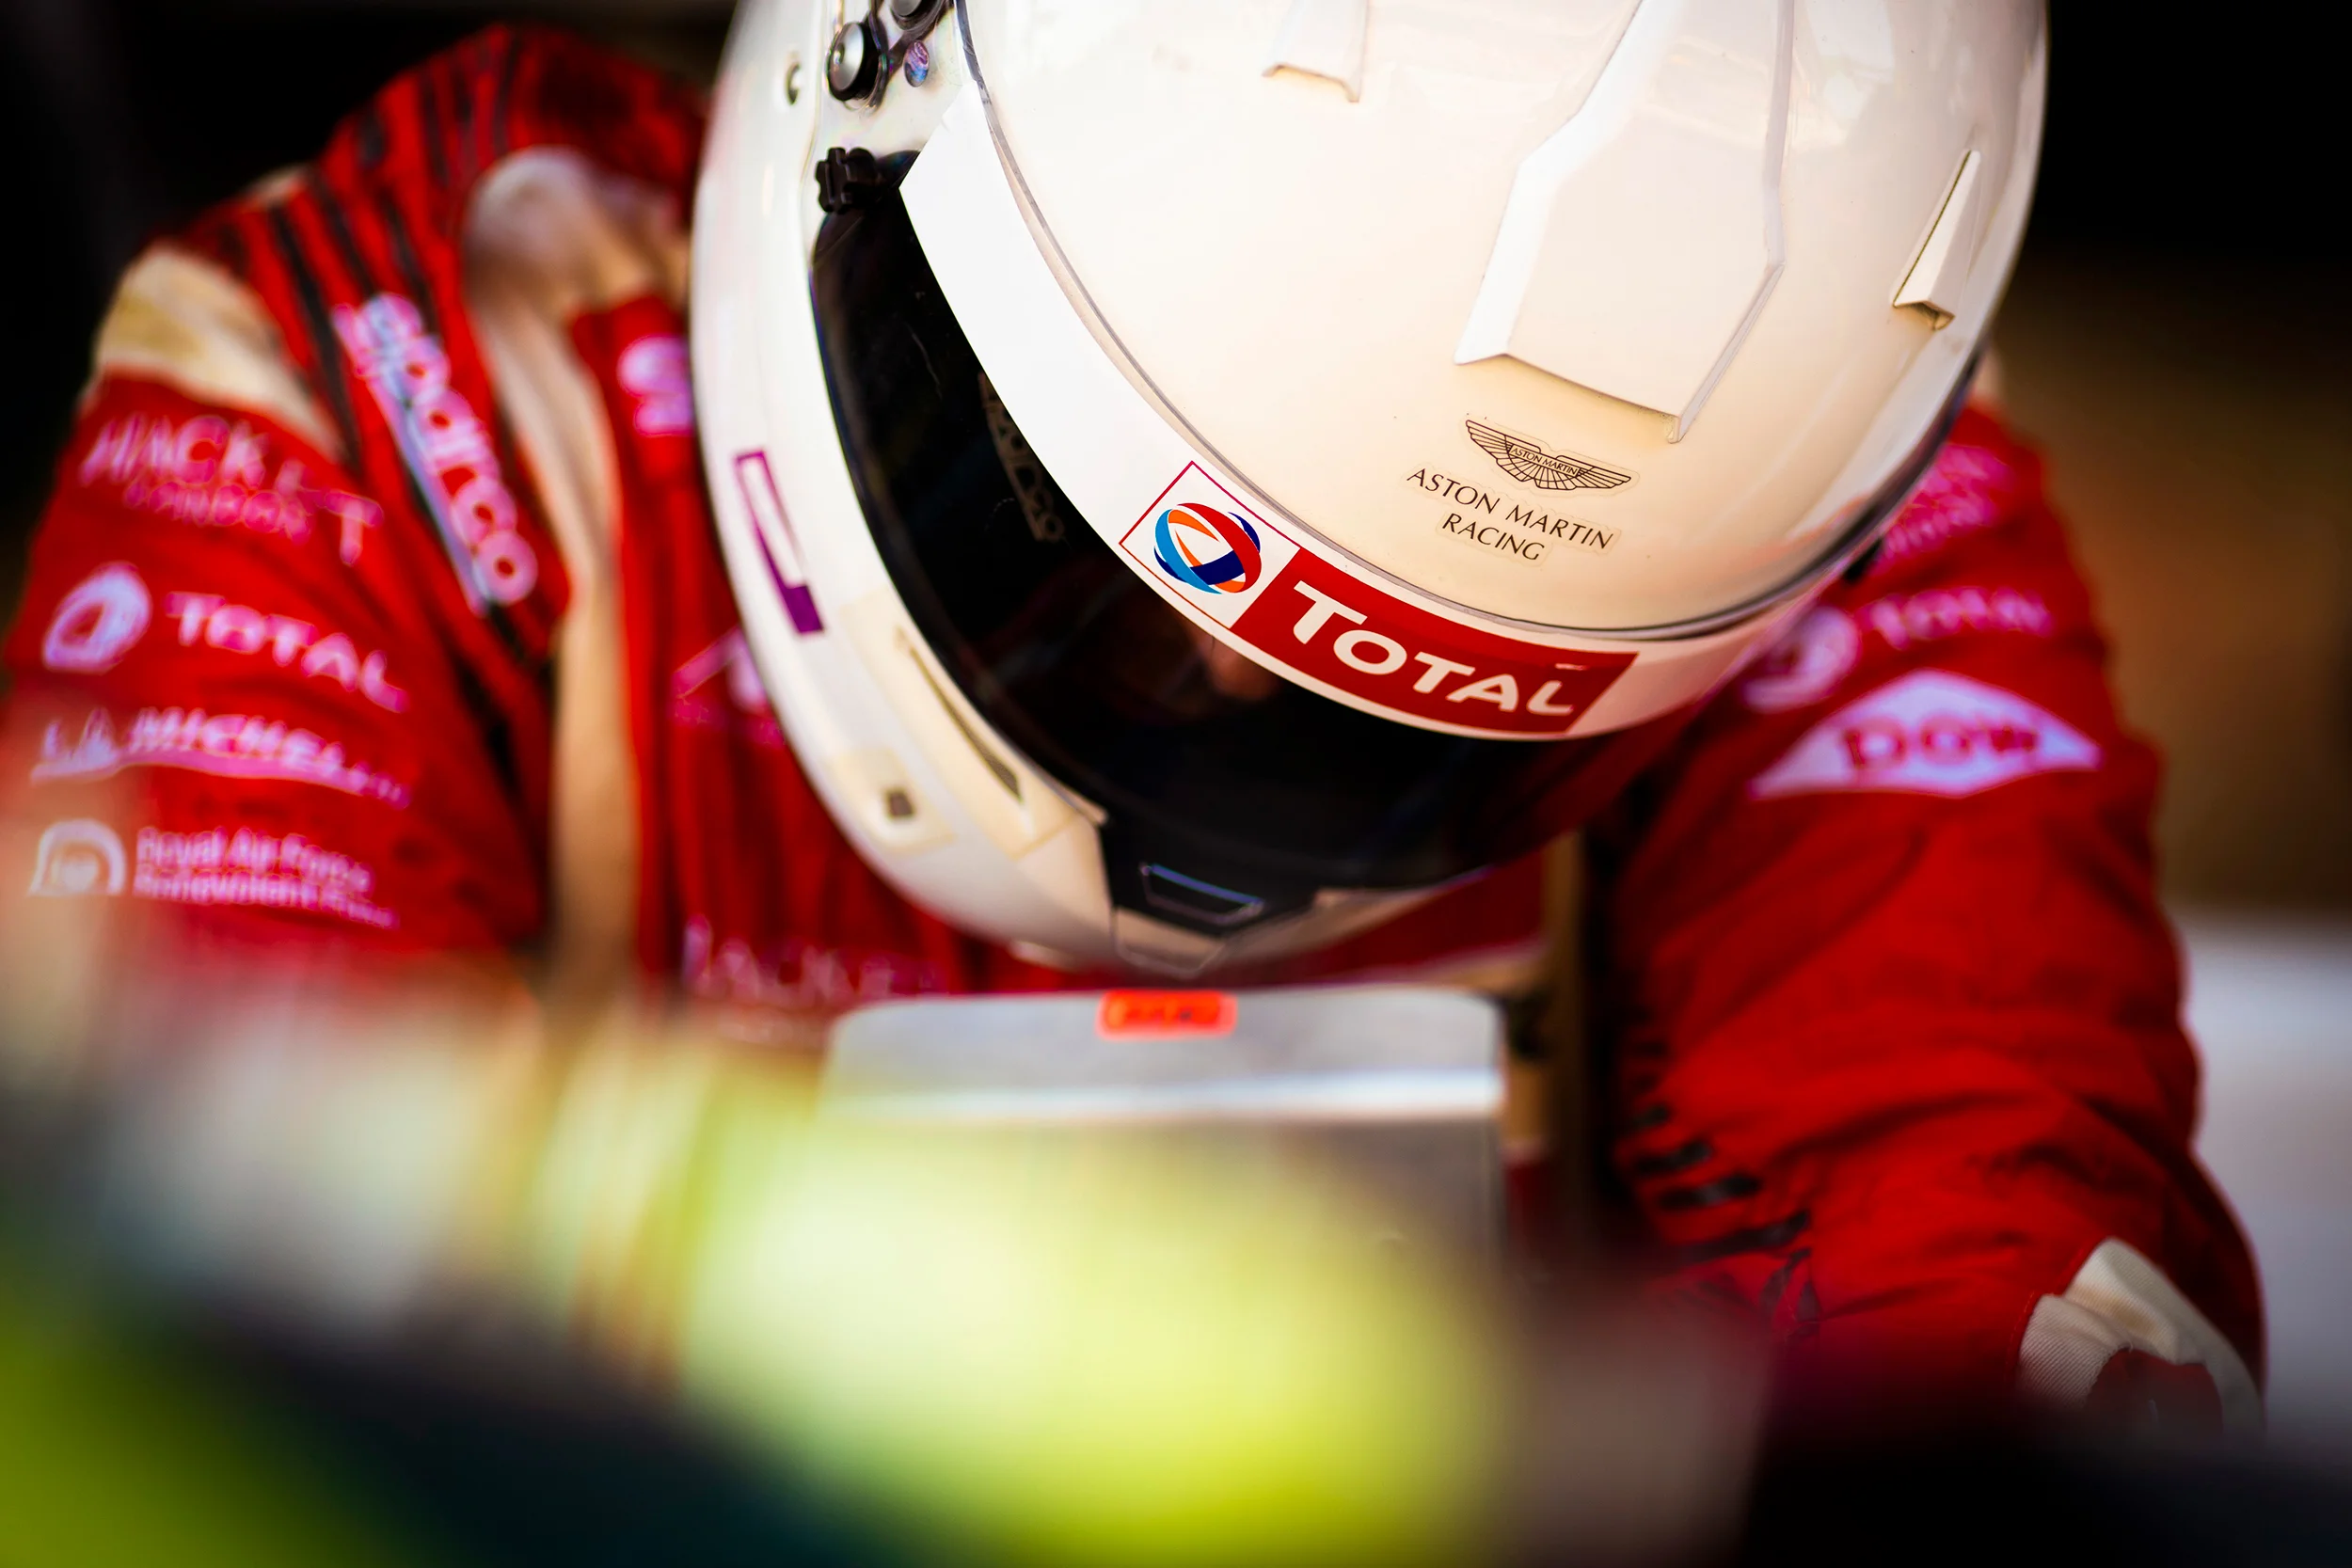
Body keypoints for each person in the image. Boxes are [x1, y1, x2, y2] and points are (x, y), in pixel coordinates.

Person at [0, 4, 2259, 1436]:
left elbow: (1988, 1240)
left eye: (1424, 716)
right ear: (852, 129)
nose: (1215, 729)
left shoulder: (1868, 524)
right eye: (1105, 587)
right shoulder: (359, 405)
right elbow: (217, 1368)